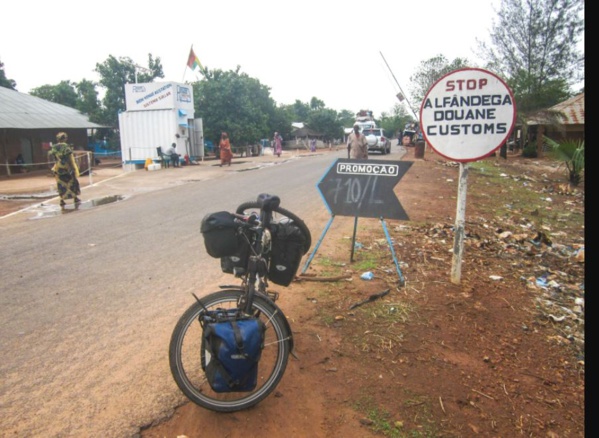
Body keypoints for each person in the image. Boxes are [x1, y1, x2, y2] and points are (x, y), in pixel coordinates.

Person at [48, 132, 81, 208]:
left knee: (60, 184)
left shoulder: (54, 148)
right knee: (72, 182)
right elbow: (70, 159)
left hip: (58, 167)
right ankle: (75, 198)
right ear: (64, 139)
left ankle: (62, 200)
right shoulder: (66, 147)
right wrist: (73, 167)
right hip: (66, 167)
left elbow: (51, 157)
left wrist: (54, 165)